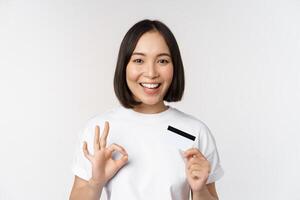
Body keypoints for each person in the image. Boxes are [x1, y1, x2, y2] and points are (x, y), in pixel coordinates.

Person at [69, 19, 224, 200]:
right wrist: (96, 182)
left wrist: (199, 190)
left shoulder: (194, 132)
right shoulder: (100, 130)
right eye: (139, 60)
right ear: (124, 66)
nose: (151, 73)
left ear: (174, 67)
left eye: (162, 60)